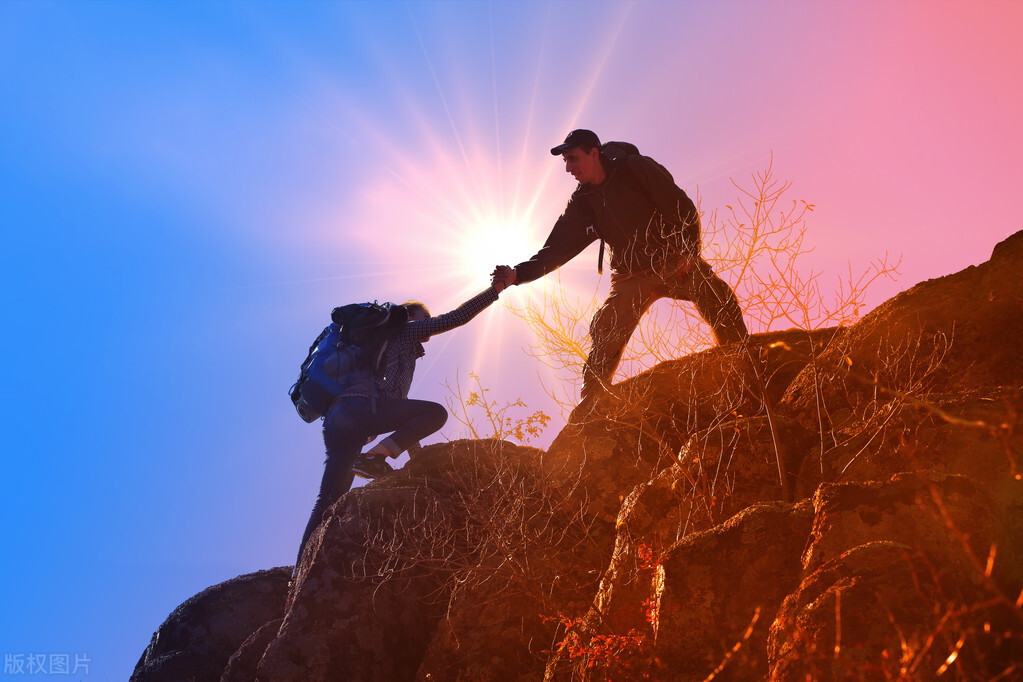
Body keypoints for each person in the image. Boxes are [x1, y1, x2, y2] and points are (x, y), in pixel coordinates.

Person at [491, 129, 748, 401]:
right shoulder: (582, 203)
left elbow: (680, 206)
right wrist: (518, 274)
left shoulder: (636, 168)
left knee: (715, 296)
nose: (568, 167)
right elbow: (555, 250)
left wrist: (688, 251)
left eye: (573, 158)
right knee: (606, 331)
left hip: (673, 261)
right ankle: (591, 410)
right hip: (630, 276)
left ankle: (745, 364)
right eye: (565, 161)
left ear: (594, 153)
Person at [295, 282, 505, 567]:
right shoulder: (405, 331)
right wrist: (497, 289)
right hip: (359, 413)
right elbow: (455, 318)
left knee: (327, 500)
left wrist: (417, 457)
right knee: (436, 414)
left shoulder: (373, 345)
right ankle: (370, 458)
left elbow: (397, 413)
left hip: (335, 422)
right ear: (410, 316)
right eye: (424, 317)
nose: (427, 324)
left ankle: (299, 575)